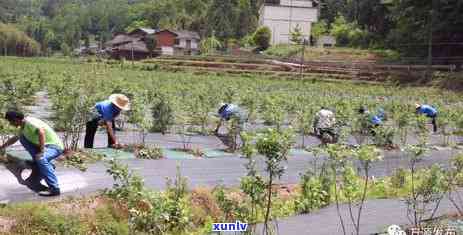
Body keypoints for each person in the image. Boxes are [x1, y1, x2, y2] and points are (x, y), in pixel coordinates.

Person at [0, 111, 64, 196]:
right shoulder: (22, 128)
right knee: (30, 183)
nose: (11, 124)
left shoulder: (30, 122)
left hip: (54, 147)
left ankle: (55, 189)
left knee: (41, 159)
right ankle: (45, 185)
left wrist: (41, 152)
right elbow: (15, 138)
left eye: (11, 121)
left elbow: (41, 132)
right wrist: (2, 147)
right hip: (45, 148)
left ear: (16, 119)